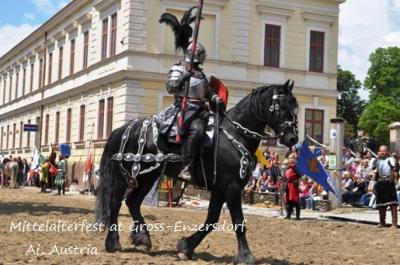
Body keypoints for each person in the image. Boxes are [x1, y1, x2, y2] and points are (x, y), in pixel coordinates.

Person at [162, 42, 224, 182]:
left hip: (201, 109)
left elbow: (207, 91)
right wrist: (184, 77)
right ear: (195, 54)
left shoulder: (200, 74)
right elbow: (171, 87)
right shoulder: (179, 68)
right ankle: (186, 167)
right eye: (202, 54)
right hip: (184, 108)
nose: (204, 57)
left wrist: (215, 98)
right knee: (196, 130)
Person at [374, 145, 398, 228]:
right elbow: (375, 170)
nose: (382, 152)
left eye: (383, 151)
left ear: (387, 151)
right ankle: (382, 222)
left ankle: (394, 223)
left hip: (389, 181)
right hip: (380, 182)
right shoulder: (378, 160)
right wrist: (375, 183)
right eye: (380, 151)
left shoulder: (390, 159)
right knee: (381, 203)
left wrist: (394, 178)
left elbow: (395, 169)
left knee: (392, 202)